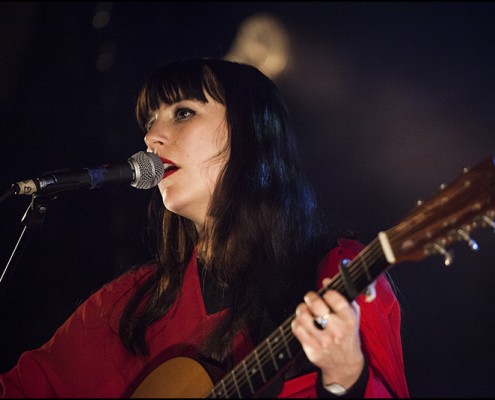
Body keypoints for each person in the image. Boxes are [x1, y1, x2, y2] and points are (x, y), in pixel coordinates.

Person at [0, 58, 409, 398]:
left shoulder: (337, 272)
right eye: (149, 122)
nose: (151, 137)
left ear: (250, 133)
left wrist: (345, 378)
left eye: (183, 112)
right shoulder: (130, 305)